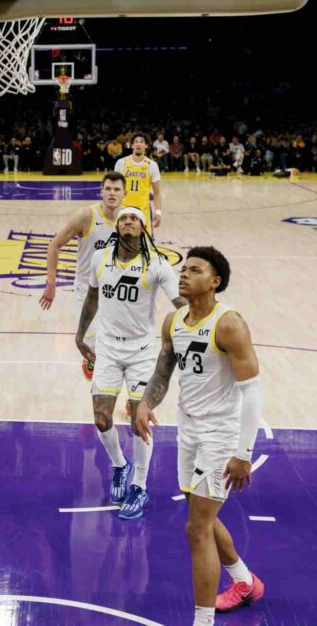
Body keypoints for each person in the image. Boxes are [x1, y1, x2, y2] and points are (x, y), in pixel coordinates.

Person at [134, 246, 266, 625]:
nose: (184, 274)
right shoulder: (173, 321)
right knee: (200, 513)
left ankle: (203, 620)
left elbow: (252, 390)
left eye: (195, 269)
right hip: (187, 427)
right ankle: (244, 581)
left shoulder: (229, 325)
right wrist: (145, 403)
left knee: (196, 528)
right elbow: (163, 371)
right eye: (184, 268)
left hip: (221, 432)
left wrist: (243, 452)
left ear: (215, 281)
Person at [75, 206, 185, 519]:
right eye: (123, 218)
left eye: (134, 219)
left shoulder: (157, 264)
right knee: (101, 418)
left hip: (141, 352)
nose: (127, 222)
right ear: (117, 226)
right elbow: (92, 298)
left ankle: (139, 485)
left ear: (142, 228)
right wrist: (80, 335)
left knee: (139, 419)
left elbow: (181, 303)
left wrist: (207, 320)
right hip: (107, 349)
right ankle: (120, 466)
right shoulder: (101, 259)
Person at [40, 172, 126, 379]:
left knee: (124, 348)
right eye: (108, 189)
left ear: (125, 194)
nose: (112, 193)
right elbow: (54, 246)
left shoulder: (129, 219)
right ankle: (97, 367)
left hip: (117, 291)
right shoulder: (86, 216)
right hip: (87, 292)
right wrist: (51, 283)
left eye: (116, 189)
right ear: (101, 192)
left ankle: (128, 395)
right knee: (97, 347)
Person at [114, 133, 164, 230]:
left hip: (143, 211)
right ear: (132, 145)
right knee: (123, 244)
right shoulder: (121, 163)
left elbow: (157, 193)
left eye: (141, 142)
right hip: (124, 210)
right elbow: (115, 189)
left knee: (143, 244)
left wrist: (158, 212)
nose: (138, 144)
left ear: (146, 146)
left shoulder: (152, 165)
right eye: (136, 142)